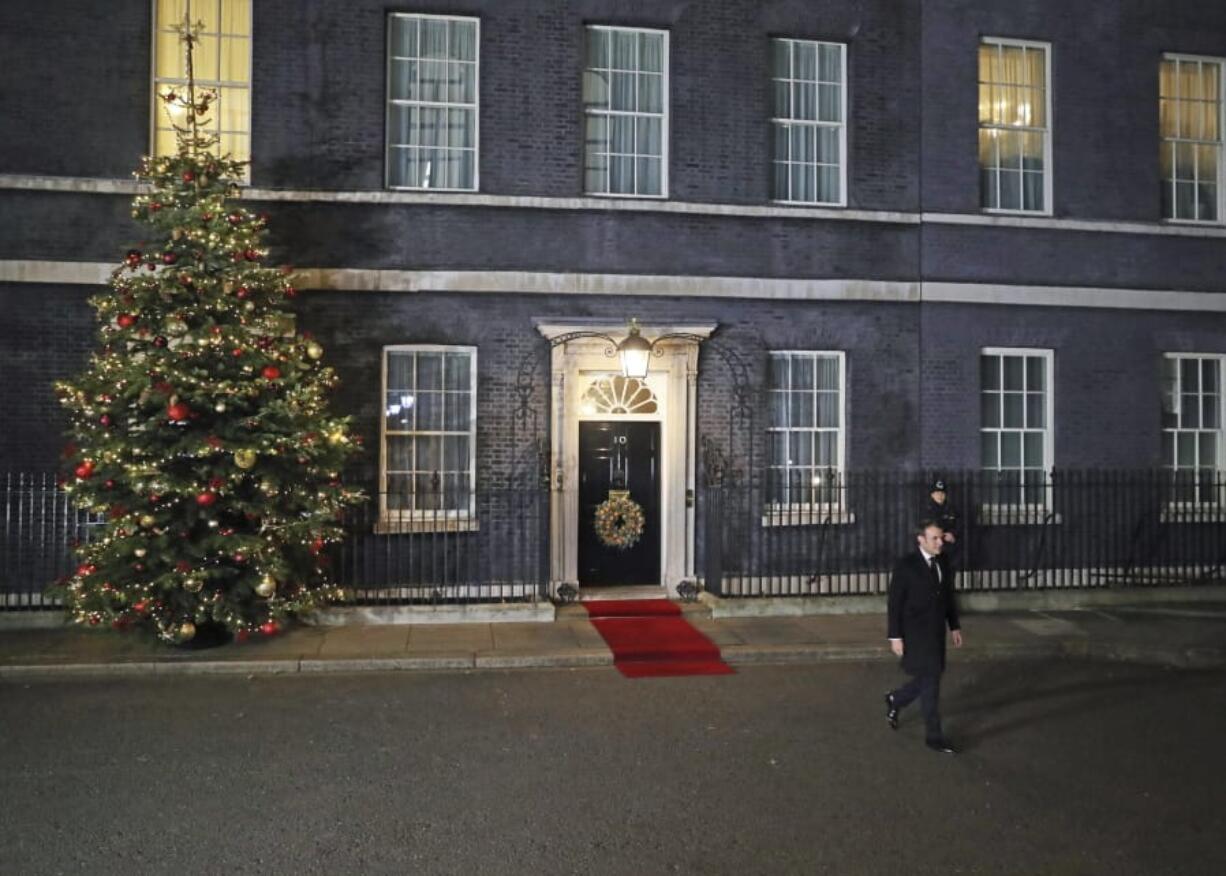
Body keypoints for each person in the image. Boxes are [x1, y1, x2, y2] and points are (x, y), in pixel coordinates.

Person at [884, 519, 964, 754]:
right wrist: (895, 636)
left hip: (936, 631)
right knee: (931, 680)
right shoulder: (906, 565)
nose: (940, 542)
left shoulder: (944, 562)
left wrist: (954, 626)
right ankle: (934, 736)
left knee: (930, 677)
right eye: (934, 539)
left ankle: (896, 699)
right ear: (921, 540)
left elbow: (948, 596)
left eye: (941, 538)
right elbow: (895, 603)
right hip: (915, 632)